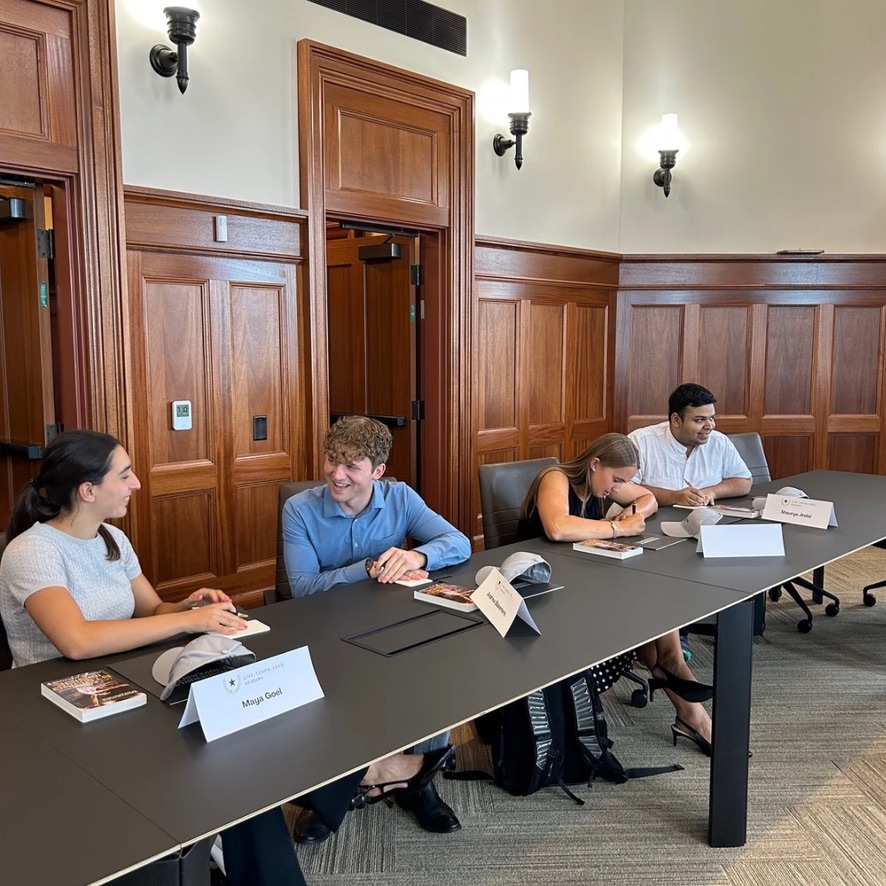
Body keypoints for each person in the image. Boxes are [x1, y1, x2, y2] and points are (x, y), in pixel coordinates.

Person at [0, 428, 398, 886]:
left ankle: (311, 803)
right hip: (56, 711)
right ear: (88, 490)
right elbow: (77, 642)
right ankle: (348, 782)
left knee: (245, 747)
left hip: (125, 683)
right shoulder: (32, 551)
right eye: (126, 475)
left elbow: (150, 611)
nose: (136, 485)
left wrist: (189, 607)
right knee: (231, 756)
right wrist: (190, 623)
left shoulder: (110, 538)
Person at [283, 414, 471, 841]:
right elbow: (302, 588)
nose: (337, 473)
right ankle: (335, 793)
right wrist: (367, 568)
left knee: (432, 665)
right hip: (324, 627)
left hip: (391, 620)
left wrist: (417, 557)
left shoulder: (401, 498)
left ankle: (417, 782)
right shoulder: (299, 509)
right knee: (333, 695)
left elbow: (458, 542)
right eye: (332, 460)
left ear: (378, 472)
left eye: (352, 466)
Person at [516, 433, 714, 755]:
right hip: (542, 594)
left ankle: (688, 704)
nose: (616, 489)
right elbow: (558, 527)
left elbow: (648, 496)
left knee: (653, 606)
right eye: (616, 479)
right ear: (595, 464)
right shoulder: (556, 477)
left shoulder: (603, 483)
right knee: (649, 615)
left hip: (581, 584)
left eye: (624, 482)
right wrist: (619, 528)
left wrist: (634, 512)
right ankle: (689, 705)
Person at [628, 383, 753, 658]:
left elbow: (743, 481)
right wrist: (673, 496)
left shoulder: (718, 441)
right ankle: (673, 639)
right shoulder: (642, 442)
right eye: (699, 420)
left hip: (705, 529)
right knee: (671, 574)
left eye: (711, 418)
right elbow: (622, 489)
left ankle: (730, 624)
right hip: (654, 531)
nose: (709, 426)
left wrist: (712, 491)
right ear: (675, 419)